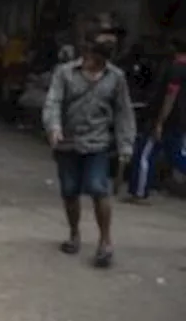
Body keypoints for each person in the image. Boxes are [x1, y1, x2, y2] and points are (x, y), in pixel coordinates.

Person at [42, 21, 136, 268]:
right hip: (68, 142)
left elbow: (123, 113)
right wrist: (53, 127)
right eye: (97, 56)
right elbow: (53, 102)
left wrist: (125, 147)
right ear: (87, 51)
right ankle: (74, 234)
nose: (99, 63)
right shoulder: (64, 73)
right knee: (70, 190)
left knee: (98, 188)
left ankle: (105, 241)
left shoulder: (116, 78)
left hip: (98, 142)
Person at [128, 36, 186, 202]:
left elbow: (170, 95)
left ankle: (139, 192)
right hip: (179, 120)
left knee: (145, 153)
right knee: (176, 155)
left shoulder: (176, 68)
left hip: (167, 118)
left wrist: (160, 121)